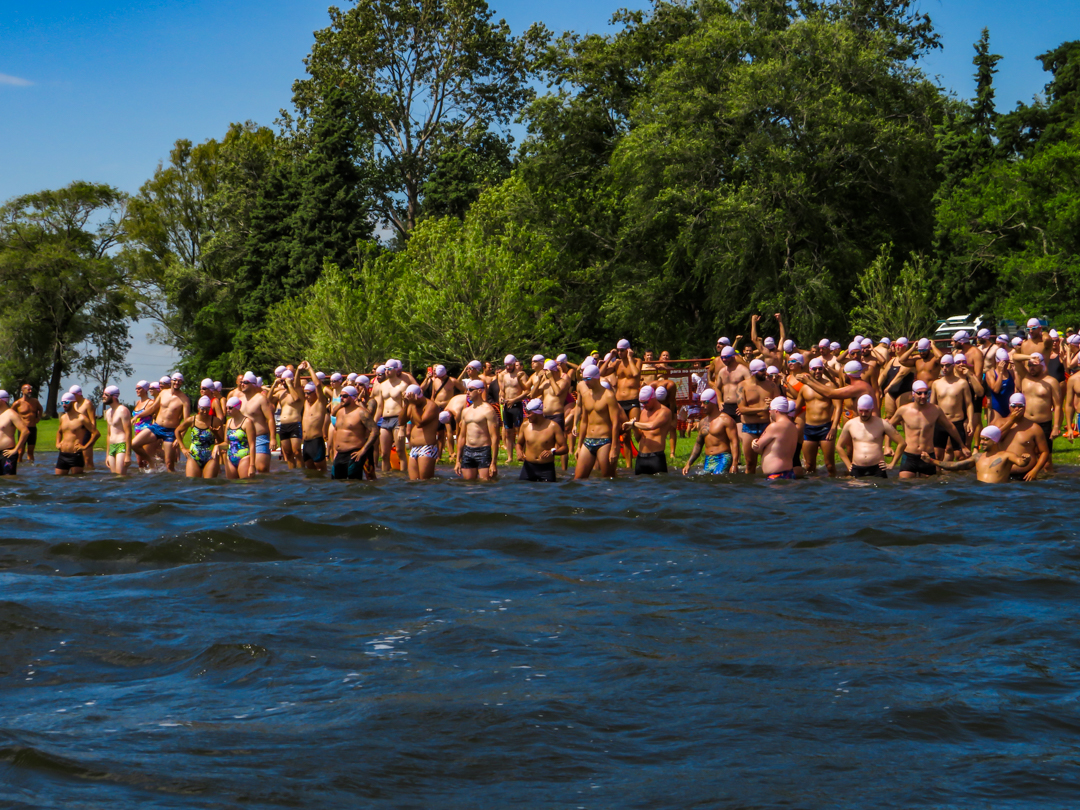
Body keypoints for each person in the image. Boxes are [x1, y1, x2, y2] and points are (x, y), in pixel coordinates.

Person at [888, 380, 968, 479]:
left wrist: (962, 445)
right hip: (909, 456)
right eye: (919, 393)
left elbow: (950, 427)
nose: (923, 396)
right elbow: (888, 427)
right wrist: (887, 446)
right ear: (913, 394)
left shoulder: (935, 410)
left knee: (928, 487)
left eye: (925, 393)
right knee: (905, 485)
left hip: (927, 456)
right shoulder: (904, 410)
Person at [919, 426, 1030, 483]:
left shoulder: (1006, 455)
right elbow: (955, 466)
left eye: (986, 439)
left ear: (995, 440)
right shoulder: (978, 457)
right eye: (981, 439)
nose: (982, 442)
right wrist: (931, 461)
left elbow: (1020, 462)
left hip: (998, 494)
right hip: (980, 493)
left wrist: (1026, 459)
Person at [1011, 351, 1062, 471]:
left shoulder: (1051, 382)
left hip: (1044, 423)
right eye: (1029, 365)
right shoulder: (1025, 377)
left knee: (1046, 461)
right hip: (1027, 423)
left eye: (1034, 365)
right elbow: (1015, 357)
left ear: (1042, 365)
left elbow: (1058, 406)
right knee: (1028, 455)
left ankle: (1048, 483)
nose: (1031, 368)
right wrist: (1030, 357)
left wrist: (1056, 427)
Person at [132, 372, 191, 472]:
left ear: (182, 383)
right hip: (156, 427)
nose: (177, 382)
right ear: (171, 381)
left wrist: (180, 437)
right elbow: (153, 408)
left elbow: (186, 421)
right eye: (175, 380)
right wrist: (139, 415)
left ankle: (172, 482)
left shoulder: (184, 399)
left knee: (169, 464)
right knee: (134, 444)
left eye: (179, 381)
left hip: (170, 432)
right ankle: (150, 461)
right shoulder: (163, 393)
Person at [836, 394, 905, 478]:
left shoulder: (882, 424)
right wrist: (848, 464)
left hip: (877, 468)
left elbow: (902, 443)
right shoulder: (850, 424)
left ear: (872, 409)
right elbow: (839, 446)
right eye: (861, 411)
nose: (864, 414)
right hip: (857, 468)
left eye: (867, 411)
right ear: (857, 409)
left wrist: (892, 464)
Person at [572, 364, 621, 479]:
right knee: (578, 479)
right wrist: (579, 446)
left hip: (605, 441)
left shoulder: (608, 395)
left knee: (608, 478)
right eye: (584, 379)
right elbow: (584, 421)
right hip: (588, 441)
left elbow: (615, 423)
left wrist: (614, 447)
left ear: (597, 377)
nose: (585, 382)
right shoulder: (585, 395)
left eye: (588, 379)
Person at [600, 339, 643, 468]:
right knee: (625, 436)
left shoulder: (637, 361)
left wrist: (630, 357)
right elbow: (601, 373)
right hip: (619, 402)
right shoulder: (616, 363)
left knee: (636, 430)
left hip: (633, 400)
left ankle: (644, 454)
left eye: (622, 350)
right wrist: (610, 358)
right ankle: (629, 466)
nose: (620, 353)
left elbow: (635, 374)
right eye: (618, 350)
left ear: (628, 350)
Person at [795, 357, 841, 476]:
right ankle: (812, 491)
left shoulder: (829, 386)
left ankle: (832, 489)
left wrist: (834, 427)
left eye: (820, 369)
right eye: (814, 369)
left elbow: (838, 407)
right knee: (809, 466)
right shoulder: (804, 388)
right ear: (809, 370)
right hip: (809, 429)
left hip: (825, 428)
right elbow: (795, 408)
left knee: (830, 465)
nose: (817, 371)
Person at [737, 359, 782, 474]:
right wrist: (763, 409)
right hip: (749, 427)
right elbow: (742, 409)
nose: (766, 373)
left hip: (766, 426)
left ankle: (767, 487)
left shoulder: (771, 385)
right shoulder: (742, 386)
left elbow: (780, 404)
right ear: (754, 372)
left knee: (769, 461)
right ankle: (750, 488)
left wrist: (772, 404)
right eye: (762, 371)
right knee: (750, 463)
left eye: (765, 370)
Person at [682, 389, 739, 475]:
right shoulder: (702, 423)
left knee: (718, 479)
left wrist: (734, 463)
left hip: (723, 457)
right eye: (701, 402)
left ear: (713, 402)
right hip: (708, 459)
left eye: (705, 402)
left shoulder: (726, 420)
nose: (702, 405)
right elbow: (698, 444)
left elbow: (734, 442)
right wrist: (688, 463)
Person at [929, 354, 975, 459]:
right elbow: (932, 405)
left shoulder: (962, 383)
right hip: (940, 423)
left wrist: (970, 421)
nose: (944, 368)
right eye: (942, 366)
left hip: (957, 421)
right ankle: (940, 475)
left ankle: (958, 475)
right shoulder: (936, 384)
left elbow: (969, 404)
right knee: (937, 455)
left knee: (960, 455)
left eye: (947, 365)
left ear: (953, 365)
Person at [998, 393, 1051, 481]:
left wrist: (1035, 470)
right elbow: (993, 439)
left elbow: (1044, 452)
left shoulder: (1034, 427)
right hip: (1003, 474)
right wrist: (1011, 421)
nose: (1017, 409)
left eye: (1020, 406)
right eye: (1014, 405)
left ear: (1025, 407)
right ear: (1009, 407)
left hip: (1026, 476)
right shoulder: (1000, 422)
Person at [329, 385, 378, 481]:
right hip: (340, 454)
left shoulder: (361, 413)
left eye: (345, 396)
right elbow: (333, 416)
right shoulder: (339, 412)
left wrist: (363, 450)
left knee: (353, 483)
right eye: (340, 396)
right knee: (336, 482)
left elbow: (375, 431)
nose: (342, 398)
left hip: (354, 454)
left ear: (353, 398)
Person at [454, 380, 500, 481]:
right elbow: (462, 436)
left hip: (483, 450)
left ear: (479, 391)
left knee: (485, 483)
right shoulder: (466, 411)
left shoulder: (488, 410)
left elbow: (494, 437)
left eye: (470, 390)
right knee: (468, 484)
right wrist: (457, 460)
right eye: (467, 390)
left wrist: (493, 462)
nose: (467, 392)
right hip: (468, 451)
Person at [624, 385, 673, 475]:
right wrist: (634, 428)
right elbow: (639, 438)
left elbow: (652, 426)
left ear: (653, 398)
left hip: (656, 457)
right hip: (641, 458)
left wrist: (634, 424)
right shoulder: (643, 412)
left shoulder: (664, 412)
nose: (644, 405)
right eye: (641, 403)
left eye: (646, 402)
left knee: (658, 486)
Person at [517, 398, 567, 481]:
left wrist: (552, 452)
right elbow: (519, 443)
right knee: (523, 491)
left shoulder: (553, 426)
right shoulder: (525, 426)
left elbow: (565, 448)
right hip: (528, 468)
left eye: (529, 413)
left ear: (538, 413)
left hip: (546, 469)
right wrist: (519, 451)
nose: (527, 416)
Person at [237, 371, 276, 474]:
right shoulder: (240, 400)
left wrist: (272, 438)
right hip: (244, 440)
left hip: (260, 438)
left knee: (262, 468)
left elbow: (270, 418)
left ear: (253, 384)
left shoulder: (261, 399)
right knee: (246, 472)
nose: (242, 384)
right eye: (241, 382)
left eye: (245, 382)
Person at [751, 397, 800, 480]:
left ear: (776, 410)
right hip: (789, 473)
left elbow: (757, 447)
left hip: (776, 475)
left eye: (770, 409)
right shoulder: (793, 427)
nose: (769, 411)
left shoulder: (774, 427)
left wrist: (753, 442)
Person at [175, 396, 223, 479]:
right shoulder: (192, 420)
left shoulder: (215, 421)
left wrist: (216, 434)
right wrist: (182, 448)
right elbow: (177, 431)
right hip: (194, 455)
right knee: (192, 482)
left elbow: (222, 442)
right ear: (198, 408)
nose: (204, 412)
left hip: (210, 456)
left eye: (207, 409)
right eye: (202, 409)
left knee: (209, 483)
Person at [374, 361, 409, 472]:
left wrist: (403, 426)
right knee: (384, 454)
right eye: (385, 369)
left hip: (398, 419)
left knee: (400, 451)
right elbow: (380, 406)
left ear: (395, 369)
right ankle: (385, 476)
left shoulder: (403, 385)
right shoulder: (382, 386)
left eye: (389, 369)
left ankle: (403, 475)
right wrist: (373, 424)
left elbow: (405, 407)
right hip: (385, 419)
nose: (387, 371)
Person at [424, 364, 465, 457]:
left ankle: (452, 452)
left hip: (448, 407)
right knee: (439, 432)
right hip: (437, 407)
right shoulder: (435, 381)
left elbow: (465, 391)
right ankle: (438, 454)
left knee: (449, 430)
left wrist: (456, 402)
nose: (440, 378)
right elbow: (433, 395)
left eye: (441, 377)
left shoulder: (453, 381)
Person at [55, 393, 99, 476]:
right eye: (62, 402)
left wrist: (85, 447)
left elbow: (96, 433)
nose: (64, 405)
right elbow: (59, 432)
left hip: (75, 455)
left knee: (76, 482)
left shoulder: (81, 418)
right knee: (58, 480)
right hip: (62, 454)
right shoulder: (63, 418)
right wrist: (57, 443)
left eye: (66, 402)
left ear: (73, 402)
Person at [403, 384, 441, 481]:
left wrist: (413, 405)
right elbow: (401, 421)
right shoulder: (411, 405)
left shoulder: (431, 405)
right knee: (413, 482)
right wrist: (405, 405)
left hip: (427, 446)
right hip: (414, 448)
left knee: (425, 482)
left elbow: (420, 423)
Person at [271, 369, 305, 469]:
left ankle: (301, 471)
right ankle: (292, 472)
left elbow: (296, 399)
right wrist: (274, 385)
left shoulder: (297, 390)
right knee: (288, 453)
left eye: (284, 380)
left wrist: (290, 385)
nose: (283, 383)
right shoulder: (281, 393)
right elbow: (268, 400)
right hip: (283, 425)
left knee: (297, 452)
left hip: (295, 424)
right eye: (282, 381)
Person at [498, 355, 529, 463]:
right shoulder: (503, 375)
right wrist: (501, 398)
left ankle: (522, 454)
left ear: (514, 363)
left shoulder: (521, 375)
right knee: (508, 432)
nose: (507, 368)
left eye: (510, 365)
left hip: (516, 405)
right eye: (506, 366)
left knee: (519, 431)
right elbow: (502, 391)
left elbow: (526, 392)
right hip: (507, 406)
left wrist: (514, 400)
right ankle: (510, 457)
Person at [100, 385, 132, 476]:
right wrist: (107, 455)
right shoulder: (108, 412)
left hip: (121, 445)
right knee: (114, 477)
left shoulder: (123, 410)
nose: (103, 396)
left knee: (120, 476)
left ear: (114, 396)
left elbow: (128, 432)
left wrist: (128, 455)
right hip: (112, 447)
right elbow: (109, 434)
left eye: (106, 394)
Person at [222, 397, 255, 479]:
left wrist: (252, 465)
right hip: (230, 458)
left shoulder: (247, 422)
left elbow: (252, 445)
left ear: (237, 408)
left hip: (244, 457)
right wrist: (217, 447)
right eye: (226, 408)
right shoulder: (228, 422)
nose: (228, 410)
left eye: (230, 408)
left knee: (244, 485)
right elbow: (226, 443)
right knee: (231, 486)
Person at [67, 384, 99, 470]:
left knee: (87, 458)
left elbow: (92, 420)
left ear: (79, 394)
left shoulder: (87, 403)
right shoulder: (73, 404)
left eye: (73, 395)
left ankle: (90, 474)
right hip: (77, 433)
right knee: (76, 456)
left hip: (87, 433)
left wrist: (93, 435)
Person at [0, 390, 30, 476]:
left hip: (7, 454)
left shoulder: (11, 414)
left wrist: (16, 449)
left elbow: (25, 431)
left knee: (9, 480)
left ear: (2, 400)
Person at [13, 384, 42, 463]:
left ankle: (30, 468)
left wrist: (38, 417)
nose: (30, 391)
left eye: (31, 389)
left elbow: (40, 409)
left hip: (32, 428)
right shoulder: (18, 403)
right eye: (28, 389)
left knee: (30, 451)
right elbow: (11, 413)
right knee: (20, 451)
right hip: (23, 429)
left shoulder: (35, 401)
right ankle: (19, 465)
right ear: (23, 391)